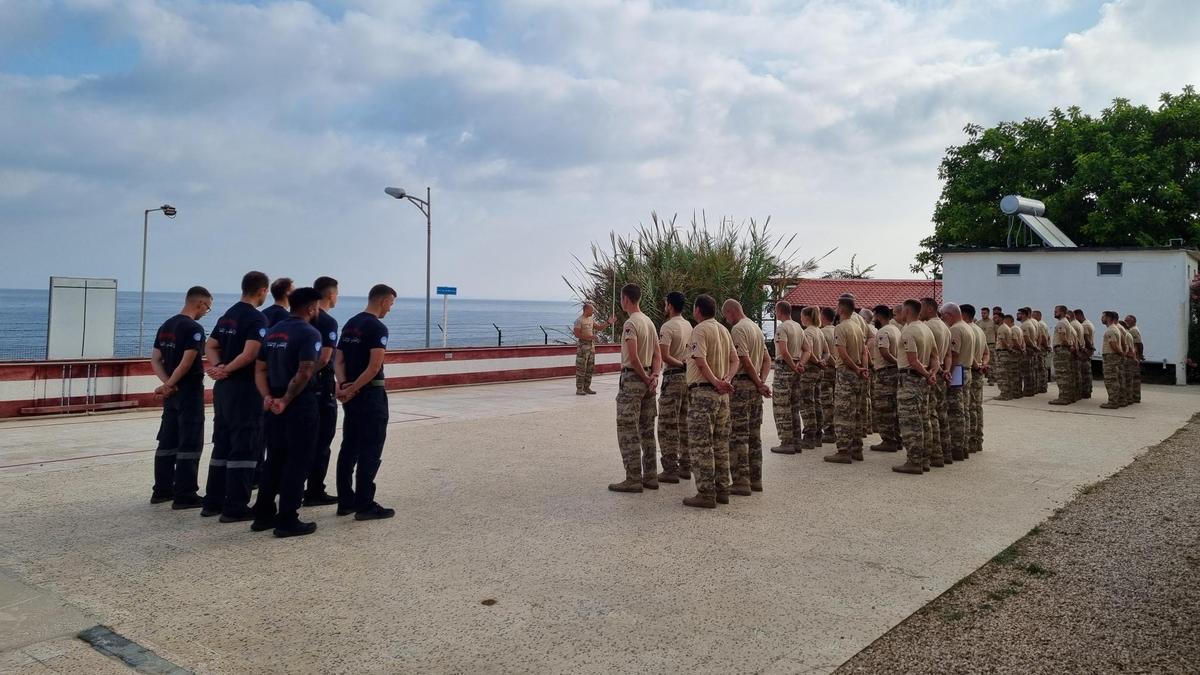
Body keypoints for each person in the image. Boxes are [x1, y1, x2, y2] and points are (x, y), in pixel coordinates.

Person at [251, 287, 324, 538]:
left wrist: (268, 397)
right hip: (298, 403)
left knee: (275, 459)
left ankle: (263, 515)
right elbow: (305, 371)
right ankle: (287, 520)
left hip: (273, 403)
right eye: (317, 307)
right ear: (310, 308)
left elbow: (259, 369)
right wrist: (286, 399)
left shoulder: (273, 331)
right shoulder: (309, 333)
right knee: (298, 461)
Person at [201, 271, 269, 522]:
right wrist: (227, 369)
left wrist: (219, 367)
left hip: (224, 390)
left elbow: (210, 345)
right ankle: (236, 506)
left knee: (222, 443)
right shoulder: (256, 318)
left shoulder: (228, 315)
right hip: (244, 388)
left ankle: (213, 502)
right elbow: (251, 354)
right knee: (245, 444)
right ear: (262, 290)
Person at [335, 284, 398, 521]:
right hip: (370, 395)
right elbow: (374, 366)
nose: (389, 309)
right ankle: (365, 504)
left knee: (349, 446)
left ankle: (345, 500)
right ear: (383, 301)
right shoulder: (377, 327)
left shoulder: (351, 323)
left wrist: (343, 385)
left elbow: (338, 359)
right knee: (371, 448)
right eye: (390, 304)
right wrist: (355, 387)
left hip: (351, 396)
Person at [149, 286, 213, 508]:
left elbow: (155, 359)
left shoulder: (166, 325)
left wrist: (166, 384)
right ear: (200, 304)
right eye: (208, 308)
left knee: (167, 441)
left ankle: (162, 490)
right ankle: (185, 494)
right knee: (190, 442)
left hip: (172, 394)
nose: (207, 312)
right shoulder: (194, 328)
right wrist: (171, 383)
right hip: (188, 392)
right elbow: (187, 362)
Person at [682, 294, 736, 509]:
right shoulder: (724, 330)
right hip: (721, 396)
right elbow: (735, 359)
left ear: (697, 310)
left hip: (704, 393)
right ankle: (723, 489)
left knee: (701, 445)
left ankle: (706, 493)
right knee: (720, 444)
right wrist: (727, 380)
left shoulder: (700, 330)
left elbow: (700, 361)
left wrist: (715, 381)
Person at [608, 284, 662, 493]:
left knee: (628, 429)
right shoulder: (649, 322)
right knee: (647, 430)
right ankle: (650, 476)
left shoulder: (631, 323)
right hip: (648, 381)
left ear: (625, 299)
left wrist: (645, 377)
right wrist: (654, 376)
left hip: (633, 380)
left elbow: (632, 357)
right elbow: (657, 354)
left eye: (621, 299)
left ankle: (633, 478)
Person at [724, 299, 772, 493]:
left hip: (743, 386)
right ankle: (755, 479)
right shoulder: (756, 328)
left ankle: (741, 481)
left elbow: (744, 359)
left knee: (738, 435)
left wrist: (759, 382)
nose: (726, 320)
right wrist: (761, 381)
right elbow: (767, 359)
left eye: (726, 315)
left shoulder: (738, 330)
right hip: (754, 389)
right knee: (754, 435)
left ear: (731, 311)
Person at [302, 276, 341, 507]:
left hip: (299, 388)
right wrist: (306, 375)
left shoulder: (300, 319)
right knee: (322, 440)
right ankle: (315, 490)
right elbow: (325, 358)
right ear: (331, 295)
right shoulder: (327, 322)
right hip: (320, 386)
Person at [894, 299, 936, 474]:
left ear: (907, 311)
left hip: (910, 379)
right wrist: (932, 373)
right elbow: (936, 356)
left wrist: (927, 374)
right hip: (922, 380)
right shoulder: (926, 329)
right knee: (924, 420)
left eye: (902, 310)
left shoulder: (909, 331)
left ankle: (914, 461)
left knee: (910, 422)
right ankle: (925, 459)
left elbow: (913, 360)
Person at [825, 297, 868, 465]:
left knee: (843, 412)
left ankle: (843, 450)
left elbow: (842, 353)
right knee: (856, 412)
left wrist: (856, 369)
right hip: (857, 371)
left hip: (846, 372)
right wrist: (862, 368)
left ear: (841, 309)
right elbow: (865, 351)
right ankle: (857, 449)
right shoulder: (857, 327)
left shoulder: (841, 328)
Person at [656, 292, 693, 483]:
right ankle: (686, 465)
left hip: (673, 377)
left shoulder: (668, 326)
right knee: (684, 422)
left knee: (667, 424)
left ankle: (670, 469)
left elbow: (664, 356)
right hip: (687, 379)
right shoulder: (688, 325)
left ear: (669, 305)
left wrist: (679, 364)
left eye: (665, 303)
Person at [769, 301, 804, 455]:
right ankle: (796, 441)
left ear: (779, 311)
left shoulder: (782, 328)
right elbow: (808, 350)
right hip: (796, 366)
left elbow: (783, 351)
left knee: (782, 406)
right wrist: (799, 364)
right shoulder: (798, 327)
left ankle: (786, 442)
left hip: (784, 368)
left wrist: (792, 365)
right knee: (794, 406)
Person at [921, 297, 951, 465]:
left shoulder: (927, 327)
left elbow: (930, 355)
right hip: (940, 373)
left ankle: (934, 453)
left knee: (929, 414)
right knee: (941, 413)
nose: (920, 311)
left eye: (922, 308)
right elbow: (947, 355)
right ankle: (944, 452)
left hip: (930, 373)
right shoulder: (945, 328)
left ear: (930, 309)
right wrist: (945, 370)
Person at [868, 305, 902, 453]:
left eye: (875, 316)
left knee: (884, 408)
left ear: (878, 316)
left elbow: (884, 352)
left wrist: (896, 362)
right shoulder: (896, 329)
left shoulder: (883, 331)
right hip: (894, 373)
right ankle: (897, 438)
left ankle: (888, 440)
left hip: (885, 373)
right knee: (894, 407)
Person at [942, 303, 972, 464]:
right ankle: (964, 445)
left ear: (949, 315)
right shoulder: (968, 327)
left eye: (943, 316)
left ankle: (956, 447)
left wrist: (948, 374)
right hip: (966, 370)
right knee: (964, 410)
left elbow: (953, 355)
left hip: (958, 371)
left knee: (955, 412)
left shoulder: (955, 330)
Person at [798, 306, 828, 449]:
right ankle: (818, 435)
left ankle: (809, 435)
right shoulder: (819, 332)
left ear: (807, 317)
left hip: (809, 371)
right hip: (819, 371)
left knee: (807, 403)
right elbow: (827, 352)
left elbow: (808, 351)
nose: (801, 319)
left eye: (802, 316)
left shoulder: (808, 332)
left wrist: (817, 361)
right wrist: (823, 361)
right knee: (817, 402)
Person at [573, 303, 615, 395]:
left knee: (590, 368)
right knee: (581, 368)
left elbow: (599, 328)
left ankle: (587, 387)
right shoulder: (579, 320)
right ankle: (579, 389)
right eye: (592, 310)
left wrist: (608, 323)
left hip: (591, 348)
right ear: (586, 310)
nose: (593, 312)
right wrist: (589, 337)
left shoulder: (591, 319)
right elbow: (577, 334)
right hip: (582, 348)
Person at [963, 304, 988, 455]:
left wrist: (976, 366)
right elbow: (986, 352)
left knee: (969, 407)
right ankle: (978, 440)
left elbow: (968, 353)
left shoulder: (967, 329)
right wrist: (983, 364)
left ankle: (971, 440)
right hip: (978, 370)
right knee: (977, 406)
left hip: (972, 370)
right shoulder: (979, 329)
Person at [1049, 305, 1078, 405]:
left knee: (1062, 375)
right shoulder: (1067, 322)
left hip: (1061, 350)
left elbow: (1063, 337)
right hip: (1065, 351)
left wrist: (1068, 344)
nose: (1054, 313)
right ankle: (1069, 397)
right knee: (1066, 374)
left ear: (1062, 312)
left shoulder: (1061, 322)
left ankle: (1063, 397)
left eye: (1056, 311)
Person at [819, 307, 838, 444]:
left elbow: (826, 354)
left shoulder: (822, 333)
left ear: (823, 317)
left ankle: (829, 431)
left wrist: (834, 364)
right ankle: (836, 429)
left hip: (827, 370)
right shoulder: (838, 330)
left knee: (826, 402)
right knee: (836, 402)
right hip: (839, 371)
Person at [1099, 311, 1126, 409]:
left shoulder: (1111, 330)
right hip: (1113, 356)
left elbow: (1113, 345)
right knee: (1116, 378)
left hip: (1111, 357)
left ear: (1109, 318)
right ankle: (1120, 400)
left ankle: (1113, 402)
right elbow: (1123, 341)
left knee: (1111, 380)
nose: (1102, 319)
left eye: (1103, 317)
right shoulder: (1116, 329)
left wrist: (1121, 353)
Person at [1075, 309, 1096, 400]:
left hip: (1085, 351)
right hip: (1088, 350)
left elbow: (1086, 338)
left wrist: (1088, 349)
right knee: (1087, 372)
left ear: (1079, 315)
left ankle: (1085, 391)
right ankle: (1087, 391)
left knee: (1084, 372)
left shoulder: (1084, 325)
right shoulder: (1089, 323)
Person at [1018, 308, 1039, 397]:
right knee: (1030, 371)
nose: (1018, 315)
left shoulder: (1025, 325)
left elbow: (1026, 338)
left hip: (1028, 349)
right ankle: (1031, 389)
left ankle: (1028, 390)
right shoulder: (1030, 323)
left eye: (1019, 314)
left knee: (1027, 371)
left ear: (1024, 315)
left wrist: (1033, 347)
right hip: (1031, 349)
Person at [1124, 315, 1143, 403]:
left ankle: (1134, 396)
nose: (1126, 322)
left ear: (1134, 322)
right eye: (1125, 321)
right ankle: (1135, 396)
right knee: (1134, 378)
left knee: (1133, 378)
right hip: (1134, 356)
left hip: (1134, 356)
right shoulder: (1131, 330)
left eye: (1128, 321)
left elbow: (1139, 344)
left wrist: (1139, 355)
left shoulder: (1133, 330)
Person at [994, 314, 1013, 400]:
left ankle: (1004, 394)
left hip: (1002, 353)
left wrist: (1008, 349)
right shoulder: (1006, 327)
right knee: (1006, 374)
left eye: (996, 317)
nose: (994, 319)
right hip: (1005, 353)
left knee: (1002, 374)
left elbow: (1003, 341)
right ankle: (1008, 393)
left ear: (1001, 318)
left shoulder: (1002, 328)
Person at [1033, 310, 1051, 393]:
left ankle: (1042, 386)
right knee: (1041, 367)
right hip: (1043, 347)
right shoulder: (1043, 324)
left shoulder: (1040, 324)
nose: (1032, 318)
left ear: (1039, 316)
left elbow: (1043, 336)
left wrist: (1046, 346)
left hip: (1041, 348)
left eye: (1034, 316)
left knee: (1041, 367)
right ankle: (1042, 385)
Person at [978, 307, 997, 385]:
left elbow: (996, 333)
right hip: (981, 345)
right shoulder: (978, 323)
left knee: (991, 363)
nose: (983, 315)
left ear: (988, 313)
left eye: (984, 313)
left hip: (990, 345)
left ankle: (991, 379)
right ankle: (980, 378)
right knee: (980, 362)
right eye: (982, 313)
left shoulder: (993, 323)